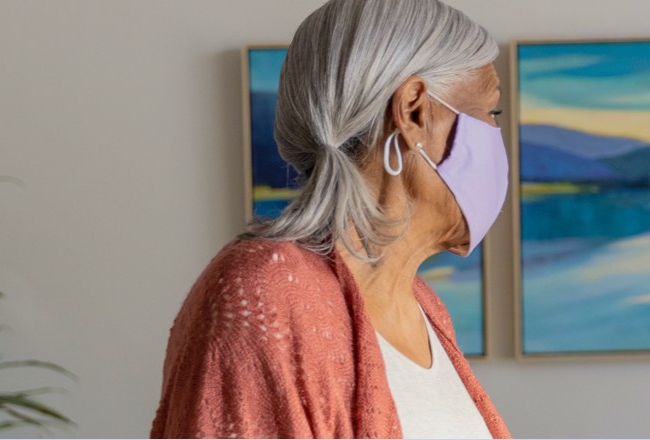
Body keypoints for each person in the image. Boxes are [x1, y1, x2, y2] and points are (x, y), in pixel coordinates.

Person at [151, 0, 509, 437]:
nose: (497, 137)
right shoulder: (266, 292)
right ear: (415, 110)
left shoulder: (425, 308)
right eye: (492, 113)